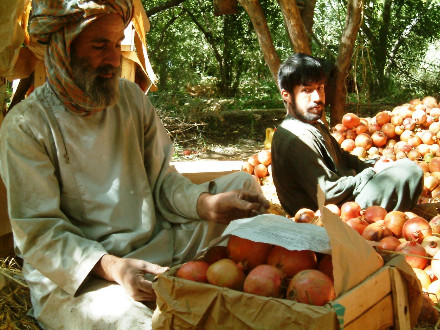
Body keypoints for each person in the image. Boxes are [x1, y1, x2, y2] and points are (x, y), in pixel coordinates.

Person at [0, 1, 269, 328]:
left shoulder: (131, 100)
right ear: (62, 47)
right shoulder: (25, 126)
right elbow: (40, 233)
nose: (113, 60)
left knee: (244, 190)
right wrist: (114, 267)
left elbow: (162, 181)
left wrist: (205, 205)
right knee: (142, 325)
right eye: (99, 46)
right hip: (85, 276)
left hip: (156, 243)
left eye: (116, 45)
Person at [271, 53, 423, 217]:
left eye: (320, 88)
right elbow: (328, 193)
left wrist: (373, 165)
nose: (317, 97)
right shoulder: (297, 137)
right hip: (327, 213)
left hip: (343, 196)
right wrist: (371, 173)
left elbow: (342, 157)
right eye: (307, 90)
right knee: (409, 172)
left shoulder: (312, 123)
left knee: (400, 166)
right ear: (286, 95)